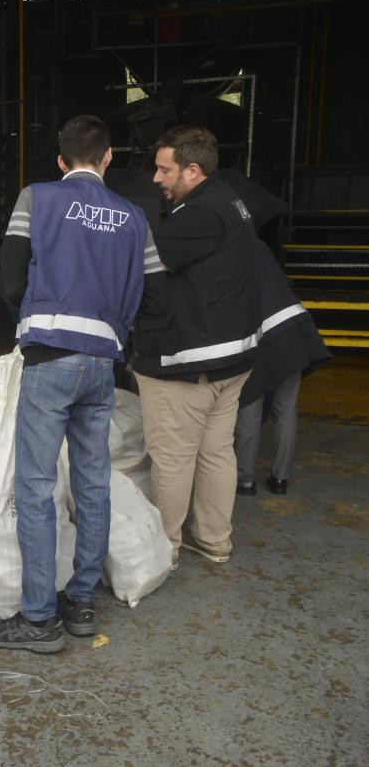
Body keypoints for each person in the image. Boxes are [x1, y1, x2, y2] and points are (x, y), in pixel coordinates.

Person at [0, 114, 155, 653]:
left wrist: (41, 308)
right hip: (103, 362)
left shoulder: (37, 198)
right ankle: (81, 604)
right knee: (92, 482)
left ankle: (37, 620)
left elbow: (9, 280)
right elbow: (157, 294)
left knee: (35, 488)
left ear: (61, 161)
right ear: (108, 159)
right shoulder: (134, 216)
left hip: (49, 357)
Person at [131, 125, 262, 566]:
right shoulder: (232, 201)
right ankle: (213, 540)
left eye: (164, 170)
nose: (156, 178)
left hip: (188, 363)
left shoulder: (199, 215)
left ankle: (162, 550)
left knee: (172, 459)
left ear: (192, 169)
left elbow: (143, 267)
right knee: (215, 452)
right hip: (231, 358)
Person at [234, 245, 330, 496]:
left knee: (249, 409)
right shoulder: (262, 247)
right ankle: (280, 479)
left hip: (263, 336)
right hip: (295, 329)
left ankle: (244, 479)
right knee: (286, 411)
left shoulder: (230, 249)